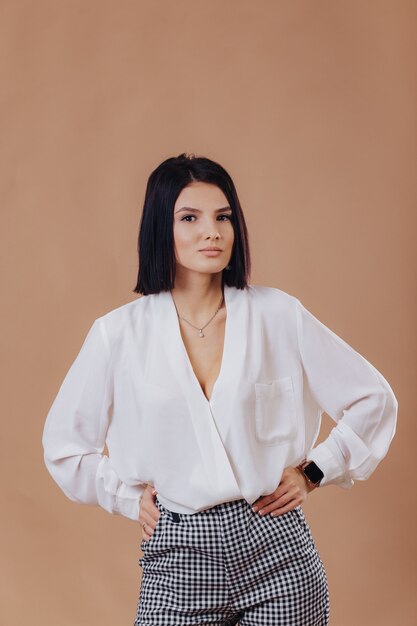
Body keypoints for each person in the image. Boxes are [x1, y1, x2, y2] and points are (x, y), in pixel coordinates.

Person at [42, 152, 398, 626]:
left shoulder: (277, 314)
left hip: (278, 552)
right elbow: (65, 448)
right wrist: (126, 498)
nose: (212, 231)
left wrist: (315, 470)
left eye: (223, 217)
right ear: (159, 229)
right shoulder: (118, 334)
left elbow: (373, 399)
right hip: (179, 555)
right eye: (190, 217)